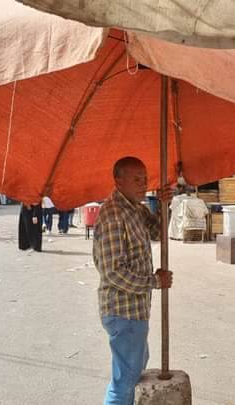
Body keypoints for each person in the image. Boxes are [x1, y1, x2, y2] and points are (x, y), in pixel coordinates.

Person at [93, 156, 174, 405]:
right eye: (136, 179)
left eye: (145, 179)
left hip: (134, 311)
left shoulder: (135, 208)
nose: (143, 184)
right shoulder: (113, 214)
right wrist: (154, 281)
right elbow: (113, 272)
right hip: (123, 311)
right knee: (125, 382)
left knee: (134, 370)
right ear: (119, 181)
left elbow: (156, 231)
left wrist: (164, 205)